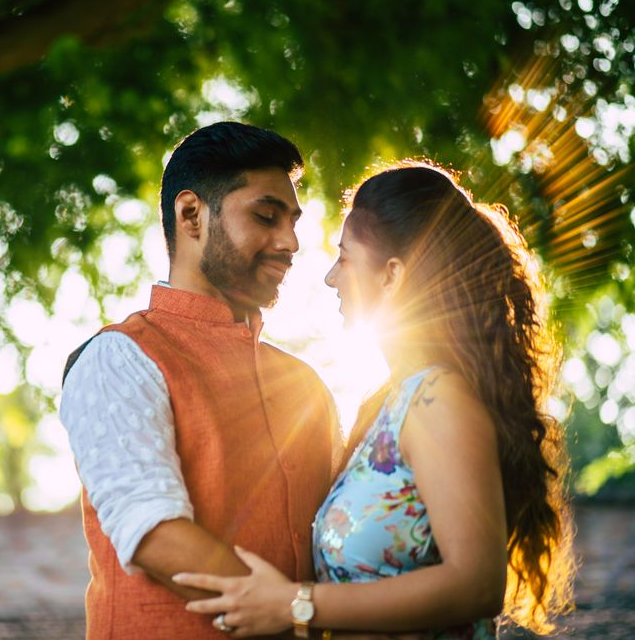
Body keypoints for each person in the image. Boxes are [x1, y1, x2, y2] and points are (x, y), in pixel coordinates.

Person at [173, 162, 576, 638]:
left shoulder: (438, 400)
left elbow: (477, 583)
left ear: (391, 275)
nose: (330, 278)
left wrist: (295, 606)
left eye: (344, 258)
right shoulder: (393, 402)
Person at [59, 121, 342, 639]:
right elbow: (155, 534)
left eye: (293, 221)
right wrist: (295, 614)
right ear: (191, 214)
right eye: (266, 215)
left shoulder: (305, 386)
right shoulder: (120, 357)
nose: (291, 241)